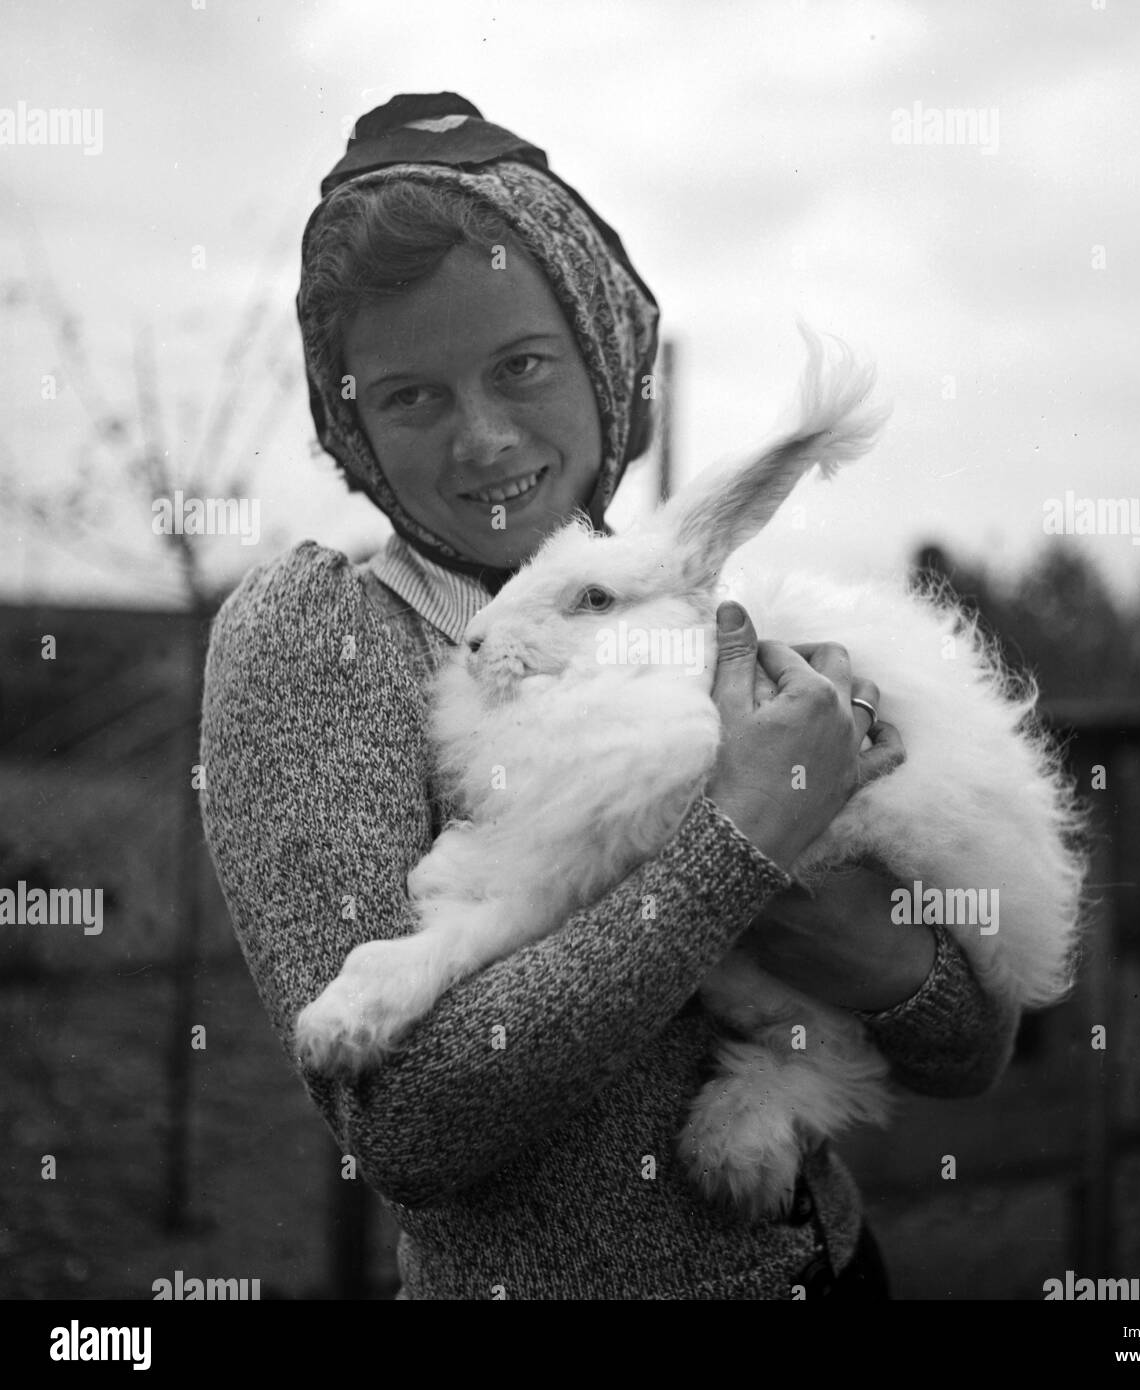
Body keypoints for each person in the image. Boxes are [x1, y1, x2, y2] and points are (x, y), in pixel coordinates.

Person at [199, 92, 1020, 1300]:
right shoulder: (316, 633)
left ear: (602, 359)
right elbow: (412, 1124)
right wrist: (736, 847)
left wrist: (851, 902)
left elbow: (968, 1046)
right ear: (353, 422)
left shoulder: (678, 608)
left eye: (522, 367)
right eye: (412, 396)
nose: (483, 440)